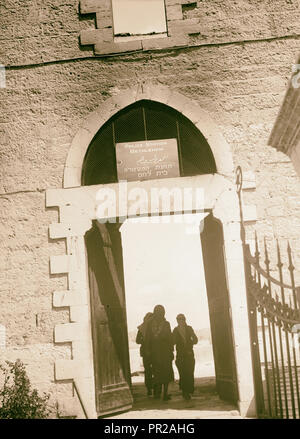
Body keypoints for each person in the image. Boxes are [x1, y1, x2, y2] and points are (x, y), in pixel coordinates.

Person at [144, 305, 174, 400]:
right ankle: (157, 393)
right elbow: (147, 339)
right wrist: (148, 350)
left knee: (166, 373)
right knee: (157, 373)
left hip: (165, 353)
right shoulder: (149, 325)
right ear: (155, 313)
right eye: (158, 312)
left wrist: (171, 351)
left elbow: (170, 339)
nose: (160, 314)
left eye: (161, 312)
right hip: (155, 353)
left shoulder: (166, 324)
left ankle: (165, 394)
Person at [172, 314, 198, 400]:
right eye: (179, 319)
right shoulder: (175, 330)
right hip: (180, 356)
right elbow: (173, 342)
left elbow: (195, 340)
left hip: (189, 355)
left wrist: (190, 343)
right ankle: (185, 392)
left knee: (189, 373)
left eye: (182, 319)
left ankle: (189, 391)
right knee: (183, 374)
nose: (180, 321)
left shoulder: (189, 329)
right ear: (177, 321)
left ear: (184, 319)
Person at [136, 312, 153, 396]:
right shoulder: (142, 328)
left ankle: (151, 388)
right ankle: (150, 388)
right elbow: (137, 340)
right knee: (149, 371)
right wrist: (145, 340)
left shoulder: (154, 327)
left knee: (150, 371)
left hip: (152, 352)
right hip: (147, 352)